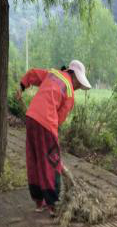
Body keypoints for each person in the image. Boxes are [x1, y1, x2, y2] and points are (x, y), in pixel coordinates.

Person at [17, 60, 91, 213]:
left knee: (34, 159)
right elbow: (59, 119)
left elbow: (32, 74)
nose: (78, 88)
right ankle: (53, 205)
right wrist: (54, 142)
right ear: (75, 76)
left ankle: (39, 202)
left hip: (31, 118)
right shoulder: (69, 93)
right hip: (46, 124)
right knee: (51, 163)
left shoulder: (52, 73)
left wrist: (21, 87)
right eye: (79, 84)